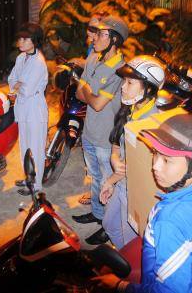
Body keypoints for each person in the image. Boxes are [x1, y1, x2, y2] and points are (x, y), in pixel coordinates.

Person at [95, 114, 192, 292]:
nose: (155, 166)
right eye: (155, 154)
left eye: (167, 160)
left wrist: (120, 285)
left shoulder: (169, 221)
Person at [86, 55, 165, 246]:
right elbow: (117, 139)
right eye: (124, 81)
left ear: (148, 89)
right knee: (109, 225)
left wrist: (109, 181)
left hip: (133, 188)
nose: (123, 87)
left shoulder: (150, 123)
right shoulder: (131, 108)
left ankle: (127, 263)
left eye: (130, 83)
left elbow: (134, 165)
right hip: (121, 182)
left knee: (128, 241)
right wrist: (114, 156)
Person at [72, 16, 128, 229]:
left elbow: (97, 104)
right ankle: (97, 214)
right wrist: (90, 93)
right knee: (95, 178)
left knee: (108, 182)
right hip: (89, 133)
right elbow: (79, 94)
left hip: (106, 139)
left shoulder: (120, 69)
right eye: (95, 33)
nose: (94, 38)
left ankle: (109, 226)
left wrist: (87, 90)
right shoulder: (93, 59)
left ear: (114, 40)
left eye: (101, 34)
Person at [8, 23, 49, 196]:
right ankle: (28, 177)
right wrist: (18, 84)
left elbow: (28, 89)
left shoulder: (39, 62)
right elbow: (11, 79)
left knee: (36, 147)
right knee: (24, 144)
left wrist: (19, 85)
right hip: (23, 106)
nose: (21, 42)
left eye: (26, 39)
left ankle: (36, 183)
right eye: (20, 38)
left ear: (35, 41)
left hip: (34, 107)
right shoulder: (21, 57)